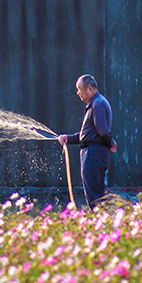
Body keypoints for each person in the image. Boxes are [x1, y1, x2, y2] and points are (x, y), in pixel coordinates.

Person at [57, 74, 116, 207]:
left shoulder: (98, 104)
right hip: (93, 153)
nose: (78, 93)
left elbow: (102, 131)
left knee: (95, 198)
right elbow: (89, 135)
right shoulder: (96, 103)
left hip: (93, 155)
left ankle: (99, 224)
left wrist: (111, 142)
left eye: (79, 89)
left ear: (89, 88)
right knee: (96, 195)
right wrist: (69, 138)